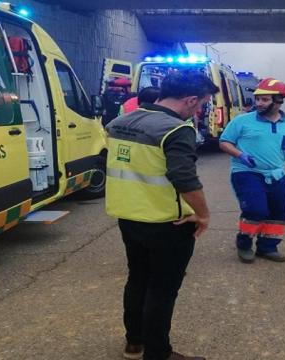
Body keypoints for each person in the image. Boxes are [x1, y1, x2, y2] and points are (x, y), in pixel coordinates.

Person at [105, 70, 219, 360]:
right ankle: (158, 353)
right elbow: (184, 178)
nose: (201, 109)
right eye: (202, 104)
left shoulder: (121, 122)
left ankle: (135, 342)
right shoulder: (177, 129)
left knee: (138, 278)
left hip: (128, 217)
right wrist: (203, 215)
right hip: (168, 222)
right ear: (191, 100)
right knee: (162, 289)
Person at [220, 78, 285, 263]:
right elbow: (224, 142)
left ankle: (267, 247)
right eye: (258, 99)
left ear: (278, 101)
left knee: (279, 211)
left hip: (276, 174)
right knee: (256, 210)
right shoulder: (242, 121)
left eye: (265, 100)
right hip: (246, 172)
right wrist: (239, 154)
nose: (259, 103)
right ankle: (243, 244)